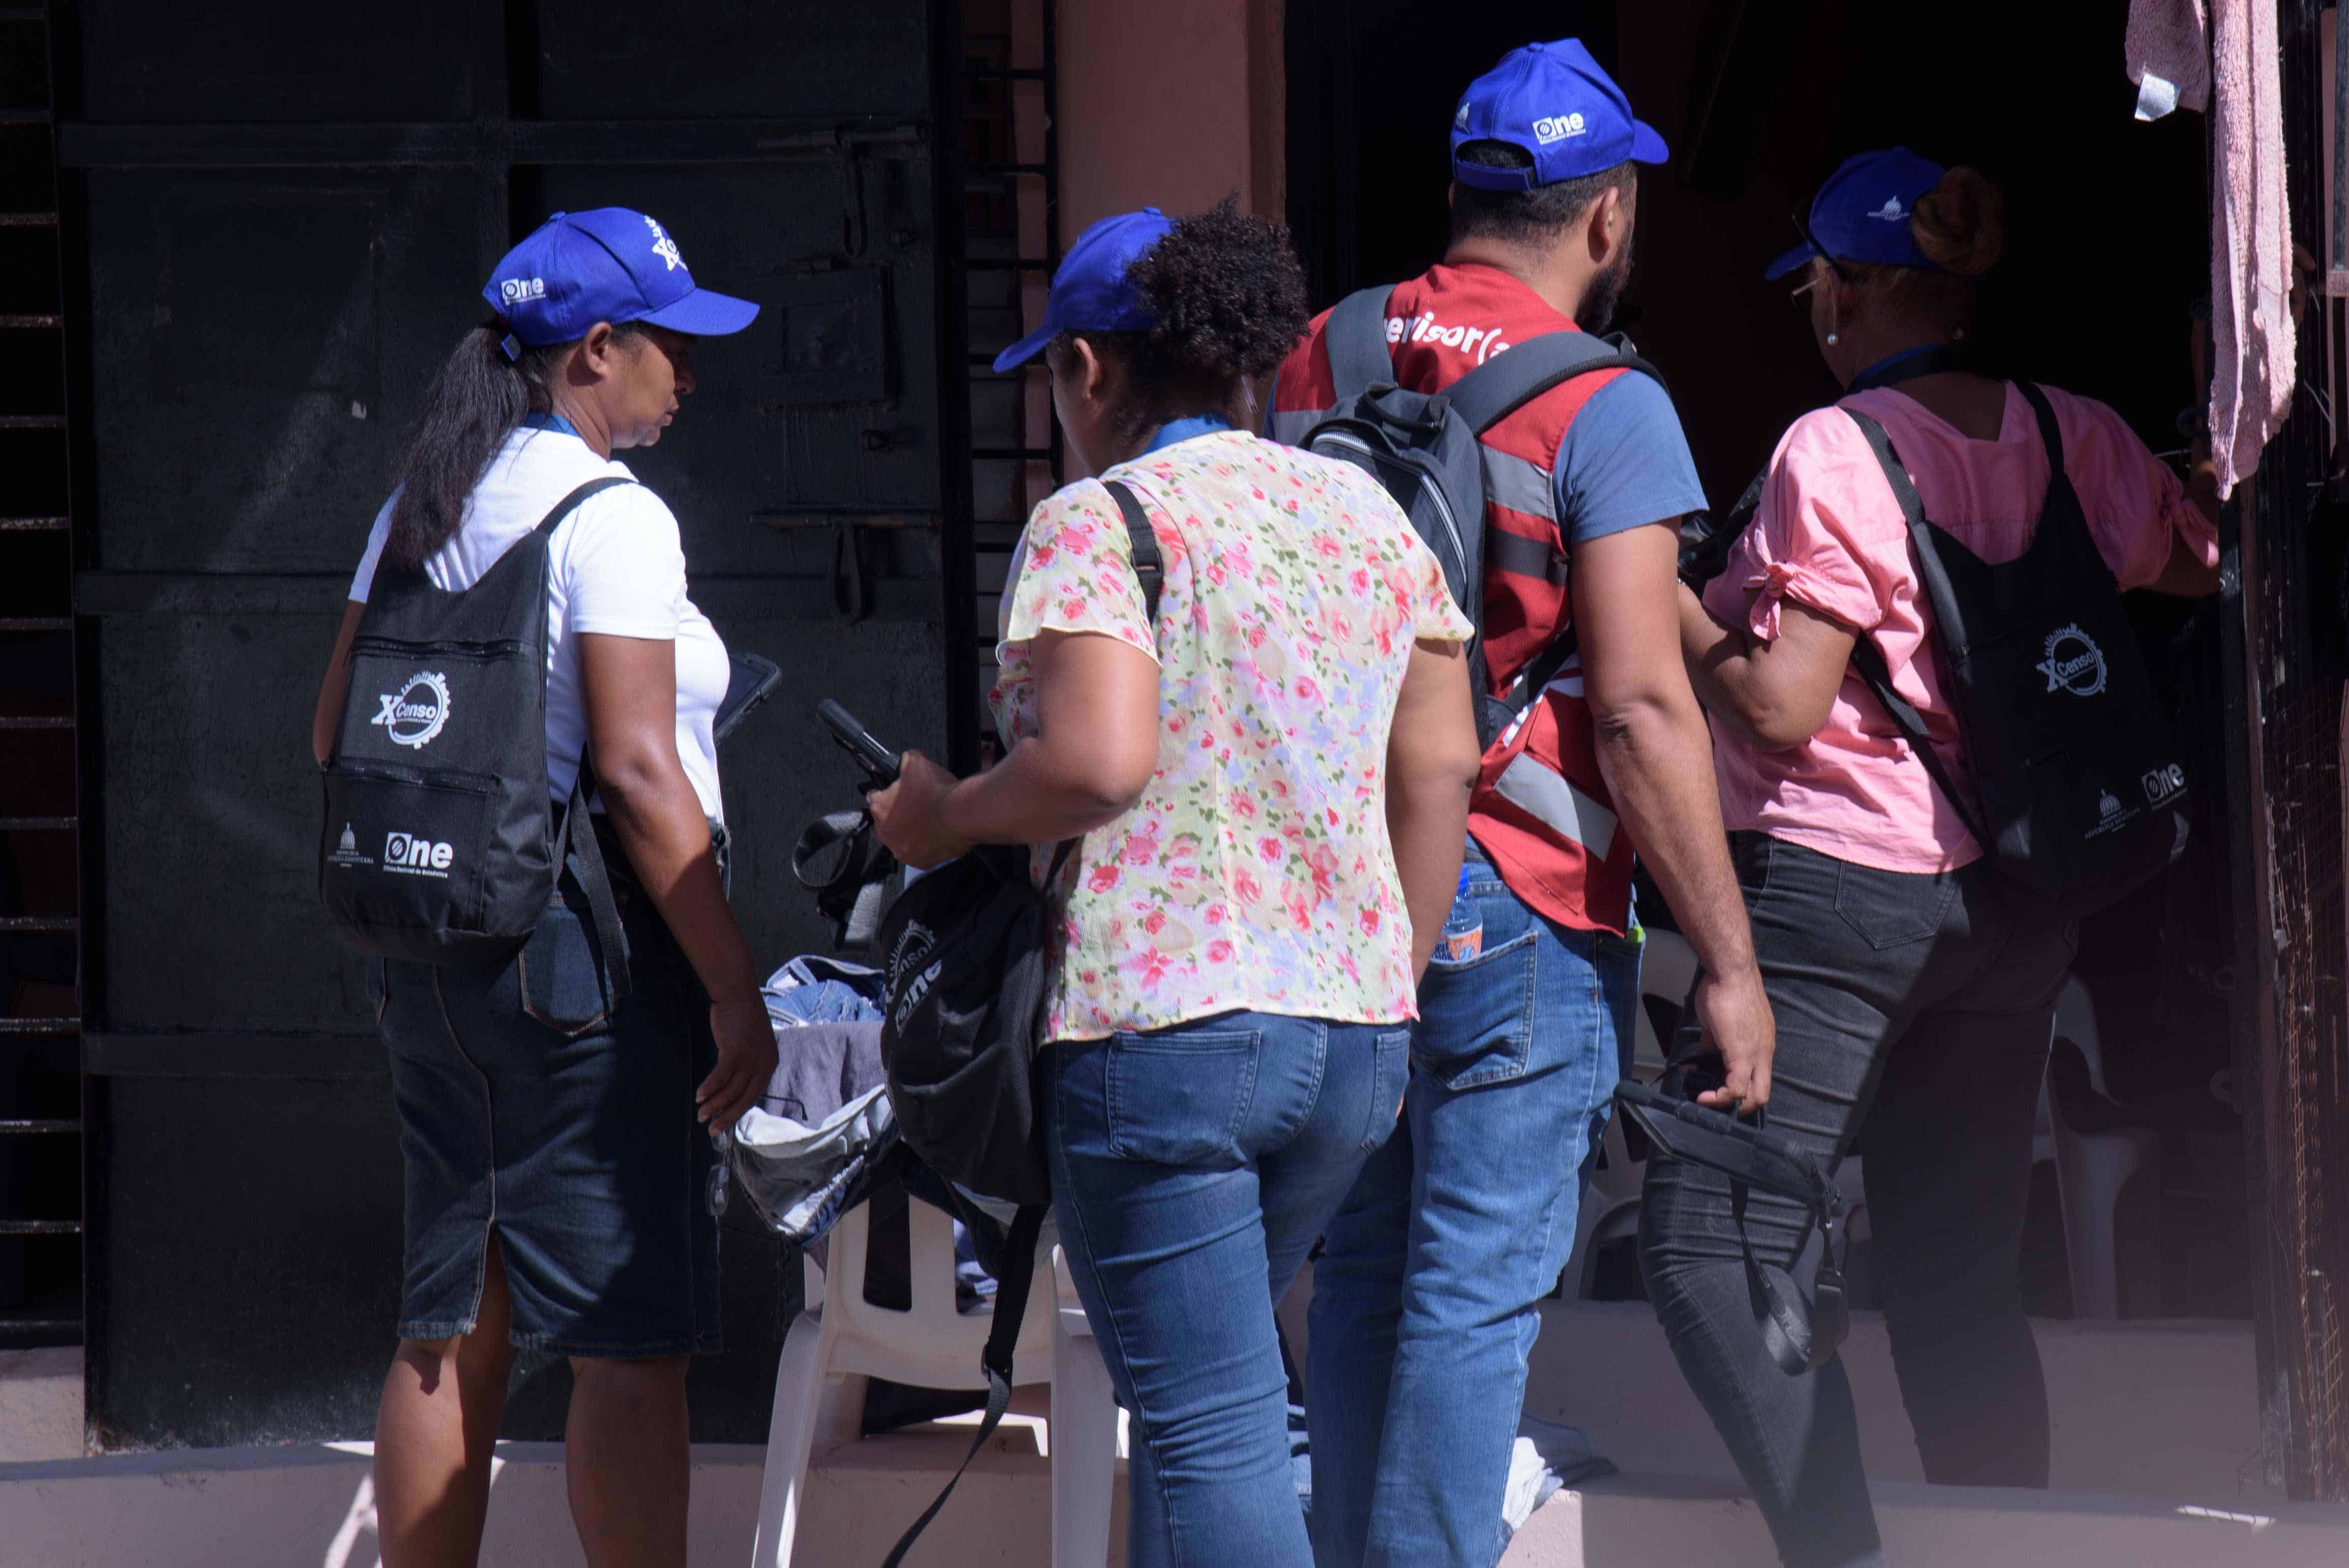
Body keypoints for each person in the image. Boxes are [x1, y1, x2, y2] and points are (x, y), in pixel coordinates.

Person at [867, 199, 1484, 1568]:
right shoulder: (1369, 516)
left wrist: (944, 815)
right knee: (1226, 1418)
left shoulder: (1100, 519)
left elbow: (1092, 765)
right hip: (1351, 1041)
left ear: (1089, 368)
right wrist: (1388, 967)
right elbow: (1440, 770)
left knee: (1209, 1427)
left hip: (1162, 1039)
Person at [1646, 149, 2223, 1568]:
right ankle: (1999, 1550)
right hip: (2022, 900)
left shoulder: (1827, 453)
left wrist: (1661, 595)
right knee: (1960, 1274)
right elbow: (2197, 563)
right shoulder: (2072, 428)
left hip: (1840, 894)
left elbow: (1783, 703)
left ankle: (1837, 1552)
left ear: (1848, 293)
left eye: (1817, 290)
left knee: (1711, 1238)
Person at [1271, 38, 1774, 1568]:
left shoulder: (1322, 353)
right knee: (1475, 1288)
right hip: (1528, 901)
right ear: (1609, 213)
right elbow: (1636, 704)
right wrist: (1733, 970)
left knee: (1361, 1268)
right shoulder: (1607, 405)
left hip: (1346, 885)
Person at [308, 208, 777, 1568]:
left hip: (432, 960)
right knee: (628, 1346)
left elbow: (331, 728)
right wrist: (733, 987)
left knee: (449, 1326)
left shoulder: (426, 497)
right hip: (589, 975)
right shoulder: (612, 517)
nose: (689, 376)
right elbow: (635, 773)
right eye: (672, 348)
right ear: (595, 351)